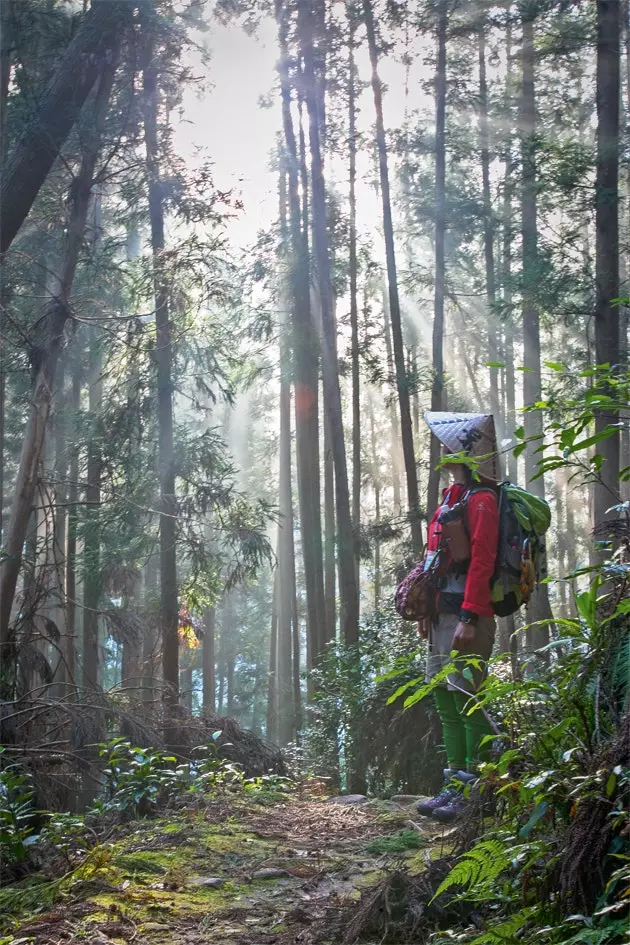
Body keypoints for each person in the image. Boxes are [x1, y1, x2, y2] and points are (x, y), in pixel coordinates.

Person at [416, 412, 499, 823]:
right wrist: (426, 610)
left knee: (469, 701)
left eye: (449, 447)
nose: (442, 453)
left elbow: (482, 561)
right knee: (446, 701)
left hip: (468, 617)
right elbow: (434, 561)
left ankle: (477, 789)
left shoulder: (483, 501)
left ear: (466, 453)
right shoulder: (449, 500)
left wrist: (470, 615)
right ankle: (454, 784)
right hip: (440, 615)